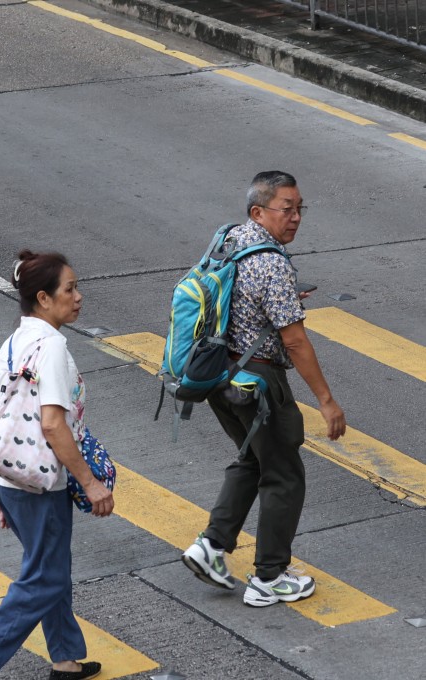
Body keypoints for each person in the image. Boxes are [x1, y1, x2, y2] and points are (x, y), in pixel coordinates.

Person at [0, 250, 114, 680]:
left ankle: (66, 661)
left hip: (10, 477)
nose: (78, 297)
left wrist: (1, 488)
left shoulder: (13, 342)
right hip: (40, 484)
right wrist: (90, 483)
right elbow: (53, 425)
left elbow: (4, 414)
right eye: (70, 289)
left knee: (47, 568)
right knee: (48, 577)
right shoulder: (52, 347)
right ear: (43, 297)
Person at [181, 171, 347, 607]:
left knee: (253, 460)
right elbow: (293, 339)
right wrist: (327, 402)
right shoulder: (271, 262)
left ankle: (212, 545)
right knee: (284, 475)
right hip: (259, 383)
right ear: (259, 211)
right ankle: (269, 577)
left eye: (298, 208)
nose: (295, 218)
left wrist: (284, 296)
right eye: (285, 209)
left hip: (219, 376)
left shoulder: (231, 239)